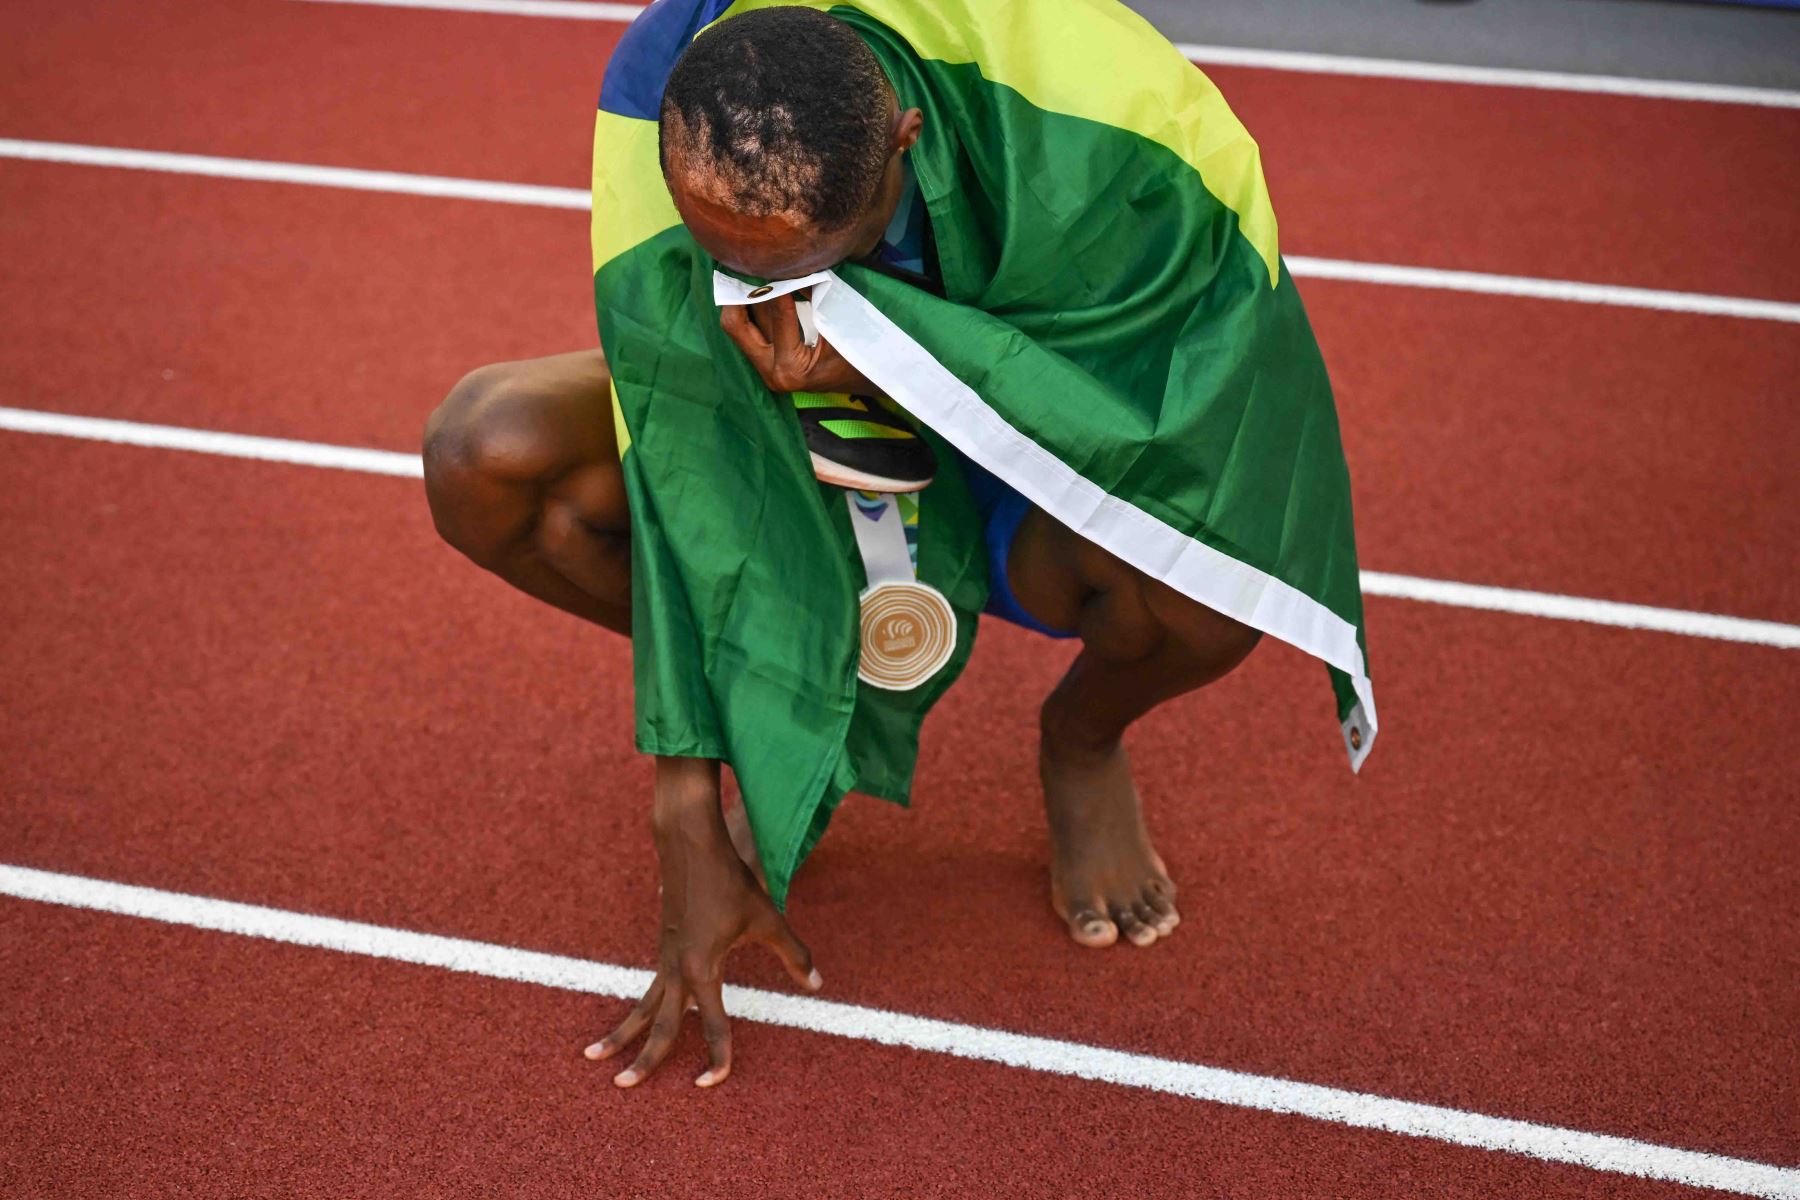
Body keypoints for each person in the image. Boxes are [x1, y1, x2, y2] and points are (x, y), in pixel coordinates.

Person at [424, 1, 1375, 1089]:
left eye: (814, 262)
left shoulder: (1104, 119)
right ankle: (776, 686)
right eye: (739, 265)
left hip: (1035, 444)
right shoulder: (666, 83)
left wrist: (889, 366)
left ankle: (1082, 741)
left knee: (1213, 581)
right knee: (485, 452)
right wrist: (683, 799)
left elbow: (1210, 431)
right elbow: (677, 436)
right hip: (778, 421)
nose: (773, 294)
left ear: (908, 137)